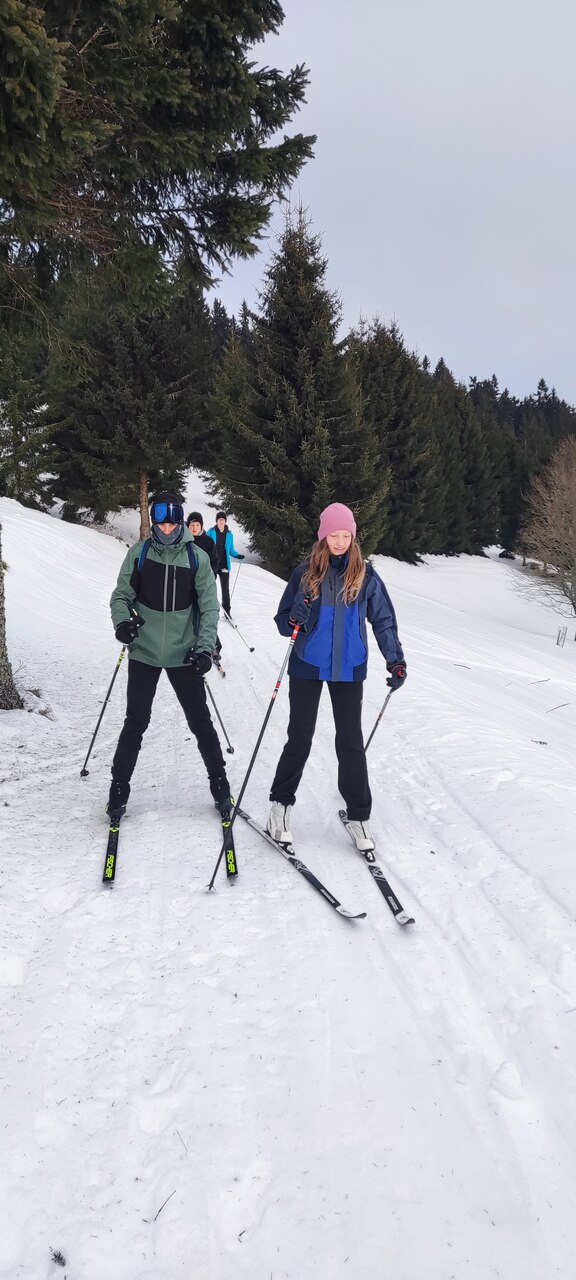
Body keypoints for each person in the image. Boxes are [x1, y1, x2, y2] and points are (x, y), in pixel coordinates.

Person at [267, 502, 407, 852]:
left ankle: (358, 815)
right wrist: (295, 617)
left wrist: (395, 660)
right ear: (323, 536)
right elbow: (283, 622)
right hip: (307, 664)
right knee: (300, 737)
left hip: (349, 667)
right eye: (334, 535)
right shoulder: (305, 574)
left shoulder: (365, 575)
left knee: (350, 742)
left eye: (346, 535)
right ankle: (280, 806)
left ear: (353, 537)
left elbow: (383, 620)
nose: (340, 541)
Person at [107, 491, 233, 818]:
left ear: (181, 523)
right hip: (145, 651)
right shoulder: (139, 553)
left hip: (183, 653)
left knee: (200, 721)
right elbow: (121, 596)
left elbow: (209, 609)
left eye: (172, 523)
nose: (166, 529)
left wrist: (204, 649)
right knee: (136, 721)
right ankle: (118, 789)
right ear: (154, 522)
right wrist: (122, 624)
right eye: (161, 523)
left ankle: (220, 784)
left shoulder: (196, 558)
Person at [187, 511, 222, 657]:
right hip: (187, 585)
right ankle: (189, 642)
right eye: (191, 525)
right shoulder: (184, 542)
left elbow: (215, 562)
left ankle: (214, 645)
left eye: (197, 525)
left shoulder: (208, 541)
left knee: (206, 613)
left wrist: (210, 576)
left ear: (201, 526)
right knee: (189, 614)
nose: (194, 528)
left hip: (204, 585)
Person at [207, 511, 244, 616]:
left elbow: (231, 549)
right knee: (209, 588)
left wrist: (237, 555)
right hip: (212, 565)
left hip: (224, 565)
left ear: (225, 521)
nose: (221, 521)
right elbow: (206, 546)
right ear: (216, 521)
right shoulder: (211, 532)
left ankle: (227, 611)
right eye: (219, 519)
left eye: (223, 519)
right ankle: (209, 610)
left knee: (225, 590)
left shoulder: (229, 535)